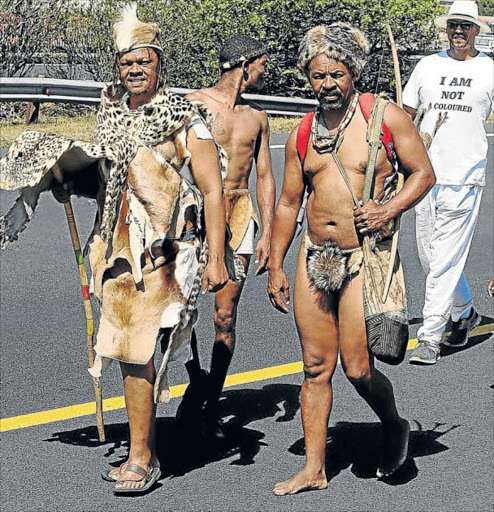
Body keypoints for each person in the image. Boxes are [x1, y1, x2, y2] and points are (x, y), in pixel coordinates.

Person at [0, 5, 228, 494]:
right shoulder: (112, 116)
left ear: (159, 64)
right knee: (131, 353)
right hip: (116, 250)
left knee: (138, 351)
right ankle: (151, 442)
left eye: (144, 61)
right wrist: (50, 187)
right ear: (118, 69)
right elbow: (101, 177)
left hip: (163, 254)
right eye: (127, 63)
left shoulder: (183, 117)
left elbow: (212, 189)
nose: (135, 70)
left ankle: (144, 456)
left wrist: (215, 257)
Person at [267, 23, 435, 495]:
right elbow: (287, 203)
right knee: (315, 367)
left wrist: (388, 207)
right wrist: (277, 263)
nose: (326, 85)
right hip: (314, 258)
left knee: (358, 367)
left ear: (352, 72)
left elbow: (423, 173)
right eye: (317, 76)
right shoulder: (303, 131)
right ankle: (314, 468)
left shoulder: (386, 117)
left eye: (335, 74)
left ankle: (395, 424)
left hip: (364, 258)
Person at [177, 35, 276, 439]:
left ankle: (211, 398)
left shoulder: (258, 117)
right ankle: (195, 377)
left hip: (238, 212)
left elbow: (266, 175)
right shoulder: (193, 105)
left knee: (224, 315)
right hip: (195, 211)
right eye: (262, 64)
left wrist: (268, 231)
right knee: (179, 310)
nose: (265, 72)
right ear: (244, 63)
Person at [403, 0, 493, 365]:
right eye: (453, 25)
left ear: (476, 31)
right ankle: (465, 312)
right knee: (430, 256)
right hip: (424, 175)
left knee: (443, 259)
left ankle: (430, 336)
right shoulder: (427, 66)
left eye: (466, 26)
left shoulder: (489, 69)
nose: (459, 31)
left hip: (465, 176)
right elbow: (405, 115)